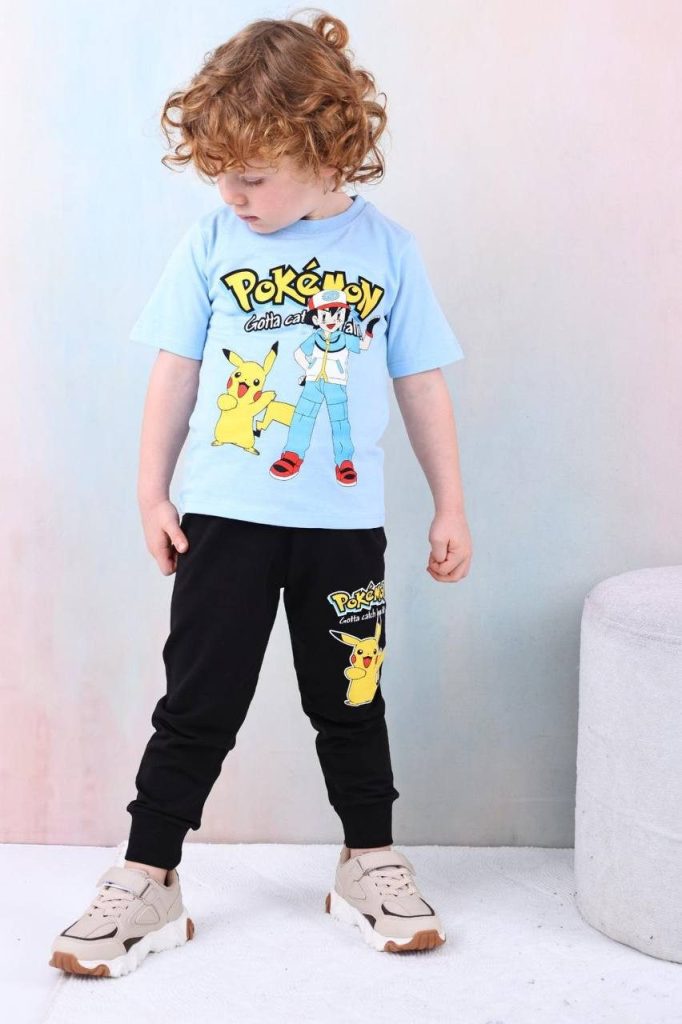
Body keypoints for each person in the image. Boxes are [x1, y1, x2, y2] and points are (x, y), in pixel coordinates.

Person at [49, 9, 472, 978]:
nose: (231, 194)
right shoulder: (212, 244)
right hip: (226, 521)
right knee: (197, 703)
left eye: (252, 175)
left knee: (351, 697)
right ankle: (147, 876)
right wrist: (150, 492)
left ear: (328, 152)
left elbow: (420, 382)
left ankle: (369, 860)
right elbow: (175, 369)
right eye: (220, 174)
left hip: (342, 529)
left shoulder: (388, 252)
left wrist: (450, 504)